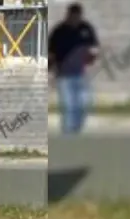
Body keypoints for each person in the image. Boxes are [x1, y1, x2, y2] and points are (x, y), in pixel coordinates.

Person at [49, 2, 100, 135]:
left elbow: (94, 48)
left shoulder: (86, 29)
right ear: (69, 15)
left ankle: (76, 130)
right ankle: (68, 134)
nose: (75, 19)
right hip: (64, 76)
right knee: (69, 107)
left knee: (83, 105)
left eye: (77, 16)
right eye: (73, 16)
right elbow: (52, 54)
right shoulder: (59, 31)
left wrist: (91, 58)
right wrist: (50, 71)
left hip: (81, 74)